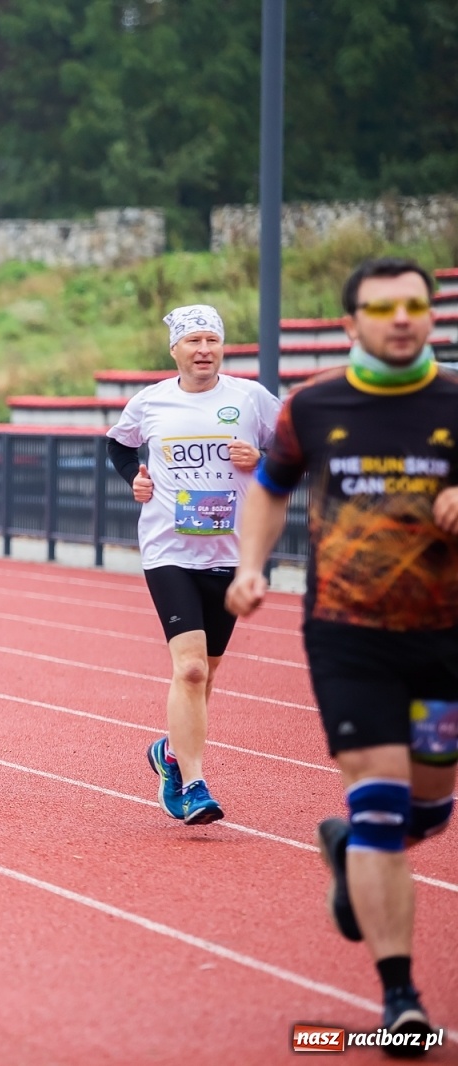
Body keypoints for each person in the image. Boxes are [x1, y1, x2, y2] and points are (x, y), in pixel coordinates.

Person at [227, 258, 458, 1049]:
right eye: (382, 307)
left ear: (432, 315)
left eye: (415, 305)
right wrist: (252, 565)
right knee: (383, 803)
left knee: (431, 803)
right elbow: (270, 486)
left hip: (446, 640)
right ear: (352, 322)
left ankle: (351, 845)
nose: (402, 318)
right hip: (347, 636)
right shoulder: (314, 405)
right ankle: (401, 999)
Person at [105, 304, 281, 825]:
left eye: (212, 340)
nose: (203, 349)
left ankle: (169, 752)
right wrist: (133, 478)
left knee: (206, 680)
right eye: (193, 341)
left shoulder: (250, 398)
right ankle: (193, 783)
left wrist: (262, 460)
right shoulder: (151, 400)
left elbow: (295, 449)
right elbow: (118, 444)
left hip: (230, 552)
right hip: (169, 550)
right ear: (175, 350)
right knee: (191, 668)